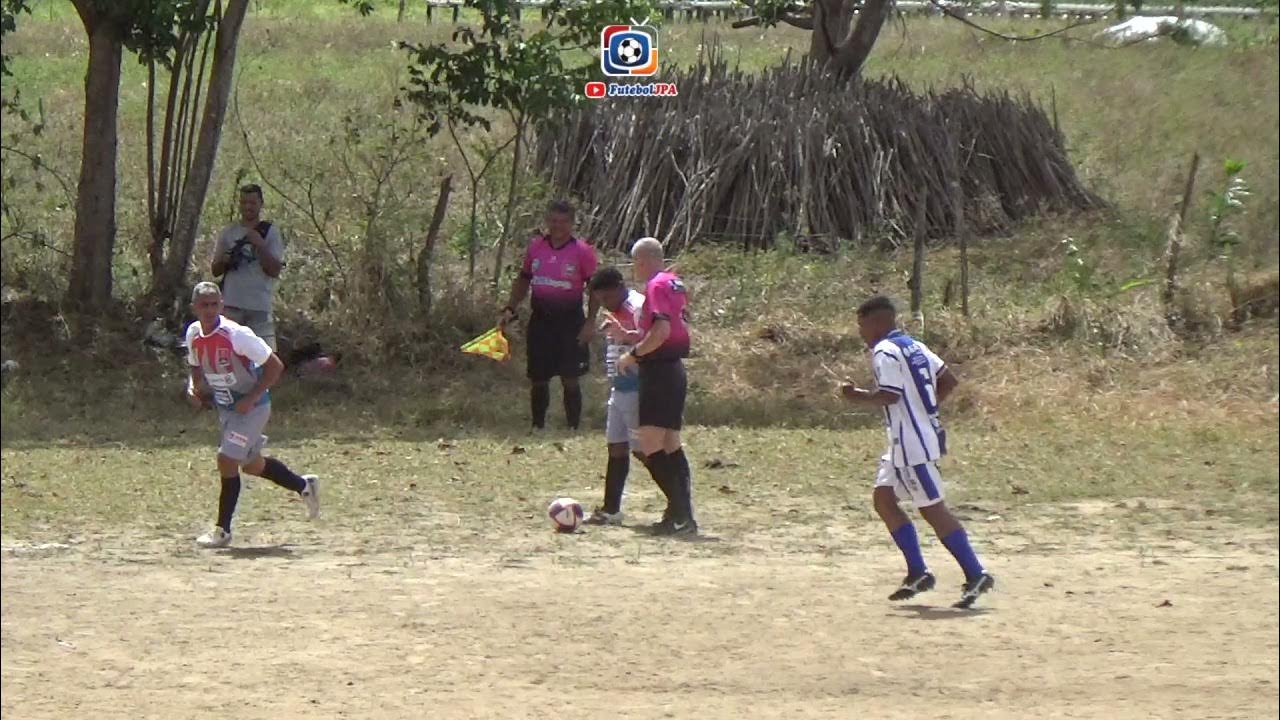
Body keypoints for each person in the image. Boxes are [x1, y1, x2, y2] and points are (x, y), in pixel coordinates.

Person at [841, 295, 995, 609]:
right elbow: (949, 380)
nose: (861, 333)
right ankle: (918, 572)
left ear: (877, 323)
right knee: (883, 499)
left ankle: (976, 572)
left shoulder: (884, 351)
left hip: (912, 445)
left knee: (931, 508)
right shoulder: (914, 345)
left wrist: (856, 396)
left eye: (862, 325)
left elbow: (889, 396)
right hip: (905, 441)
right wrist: (926, 410)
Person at [184, 282, 319, 548]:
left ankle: (222, 531)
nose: (210, 310)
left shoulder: (237, 335)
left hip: (253, 409)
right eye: (204, 305)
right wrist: (193, 388)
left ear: (222, 305)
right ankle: (304, 485)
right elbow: (195, 366)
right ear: (194, 308)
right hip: (228, 409)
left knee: (226, 459)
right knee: (252, 465)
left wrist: (251, 398)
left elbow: (274, 366)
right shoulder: (194, 334)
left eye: (214, 304)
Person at [616, 238, 697, 535]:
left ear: (644, 260)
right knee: (670, 444)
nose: (634, 269)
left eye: (634, 262)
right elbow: (665, 327)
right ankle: (681, 516)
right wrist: (629, 336)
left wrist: (634, 354)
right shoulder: (675, 282)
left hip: (660, 371)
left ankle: (681, 514)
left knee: (650, 446)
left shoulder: (655, 285)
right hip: (673, 369)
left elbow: (661, 331)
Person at [499, 200, 600, 431]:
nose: (558, 226)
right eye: (553, 221)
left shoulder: (582, 251)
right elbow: (524, 279)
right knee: (538, 376)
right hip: (541, 320)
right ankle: (537, 427)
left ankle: (573, 427)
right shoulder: (536, 248)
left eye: (563, 222)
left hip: (570, 320)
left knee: (570, 377)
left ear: (572, 224)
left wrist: (590, 322)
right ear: (547, 221)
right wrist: (510, 307)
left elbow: (595, 289)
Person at [584, 266, 646, 525]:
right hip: (619, 388)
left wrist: (625, 336)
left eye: (607, 298)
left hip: (637, 387)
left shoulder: (637, 307)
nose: (604, 304)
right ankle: (611, 509)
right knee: (616, 446)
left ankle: (678, 501)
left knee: (645, 450)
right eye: (600, 300)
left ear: (620, 286)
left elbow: (650, 338)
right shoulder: (615, 309)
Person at [212, 183, 285, 351]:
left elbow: (274, 270)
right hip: (231, 304)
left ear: (261, 204)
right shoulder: (229, 232)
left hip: (259, 306)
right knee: (229, 355)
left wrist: (260, 245)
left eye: (252, 203)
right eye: (244, 202)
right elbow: (215, 270)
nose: (248, 207)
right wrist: (226, 259)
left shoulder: (270, 232)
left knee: (264, 357)